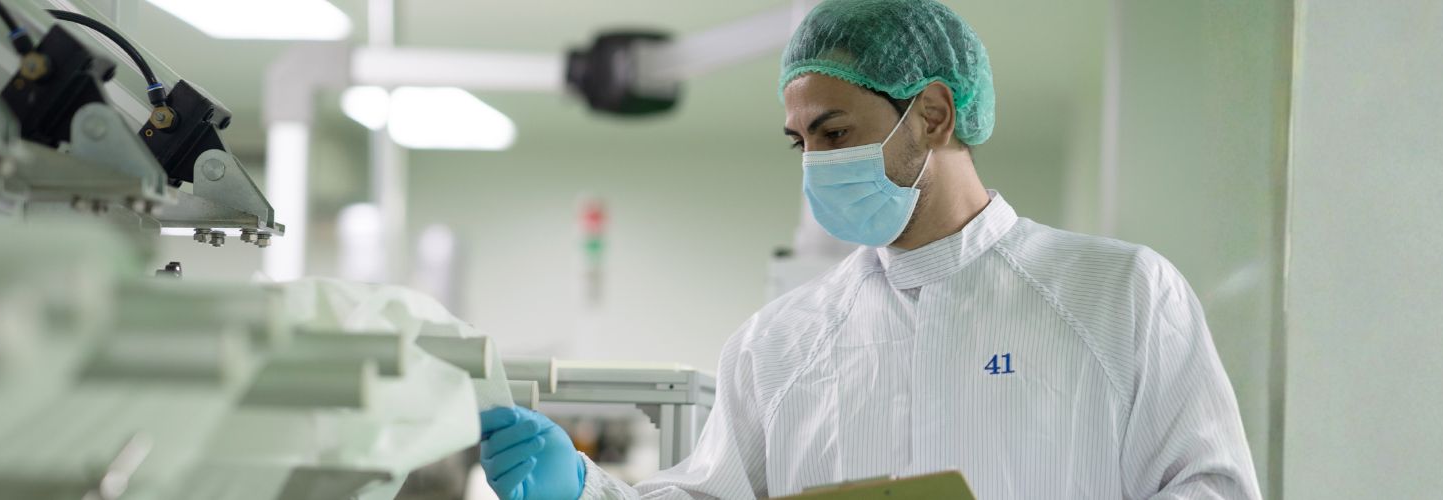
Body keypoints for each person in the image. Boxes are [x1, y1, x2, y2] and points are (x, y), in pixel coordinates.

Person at [474, 0, 1261, 498]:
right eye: (800, 143)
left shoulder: (1117, 295)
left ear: (932, 115)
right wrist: (582, 492)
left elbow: (1213, 487)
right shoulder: (780, 343)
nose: (815, 163)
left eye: (836, 132)